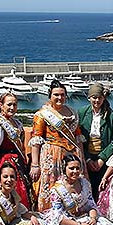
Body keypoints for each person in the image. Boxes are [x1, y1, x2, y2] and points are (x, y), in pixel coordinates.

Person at [29, 81, 84, 211]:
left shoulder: (73, 112)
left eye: (62, 95)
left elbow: (78, 137)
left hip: (72, 155)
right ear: (50, 96)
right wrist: (35, 164)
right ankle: (50, 212)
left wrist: (82, 159)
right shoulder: (42, 114)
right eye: (56, 95)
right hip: (51, 155)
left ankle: (72, 211)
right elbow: (36, 140)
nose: (60, 98)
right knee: (51, 184)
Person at [0, 92, 32, 208]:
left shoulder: (16, 122)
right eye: (9, 104)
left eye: (15, 105)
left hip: (17, 163)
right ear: (1, 105)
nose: (12, 108)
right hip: (4, 163)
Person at [78, 83, 113, 199]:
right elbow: (78, 137)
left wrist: (102, 158)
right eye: (94, 97)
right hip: (87, 156)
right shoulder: (82, 113)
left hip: (105, 157)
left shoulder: (111, 116)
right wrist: (87, 159)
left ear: (104, 98)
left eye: (99, 98)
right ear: (89, 98)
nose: (97, 100)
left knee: (102, 188)